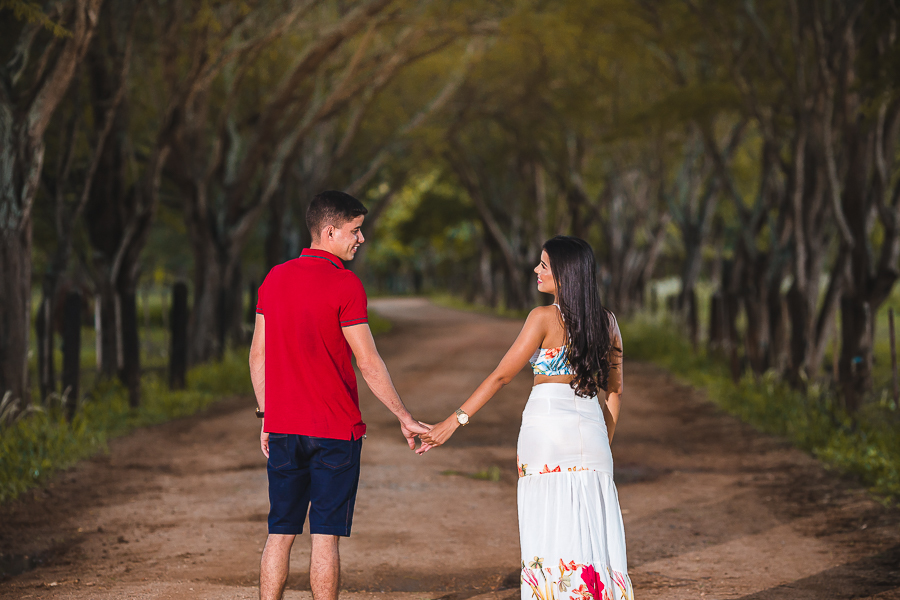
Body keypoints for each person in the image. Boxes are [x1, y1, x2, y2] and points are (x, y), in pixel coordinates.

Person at [420, 235, 634, 600]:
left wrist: (453, 422)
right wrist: (603, 442)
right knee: (593, 534)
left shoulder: (543, 318)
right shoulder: (608, 322)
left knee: (550, 530)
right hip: (593, 436)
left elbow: (502, 376)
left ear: (565, 274)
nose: (536, 269)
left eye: (544, 265)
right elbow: (613, 391)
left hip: (546, 432)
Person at [249, 190, 432, 600]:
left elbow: (257, 355)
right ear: (329, 231)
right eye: (355, 230)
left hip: (283, 429)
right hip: (334, 433)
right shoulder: (345, 284)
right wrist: (404, 416)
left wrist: (267, 415)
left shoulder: (274, 278)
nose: (361, 239)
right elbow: (368, 362)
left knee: (279, 532)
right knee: (325, 538)